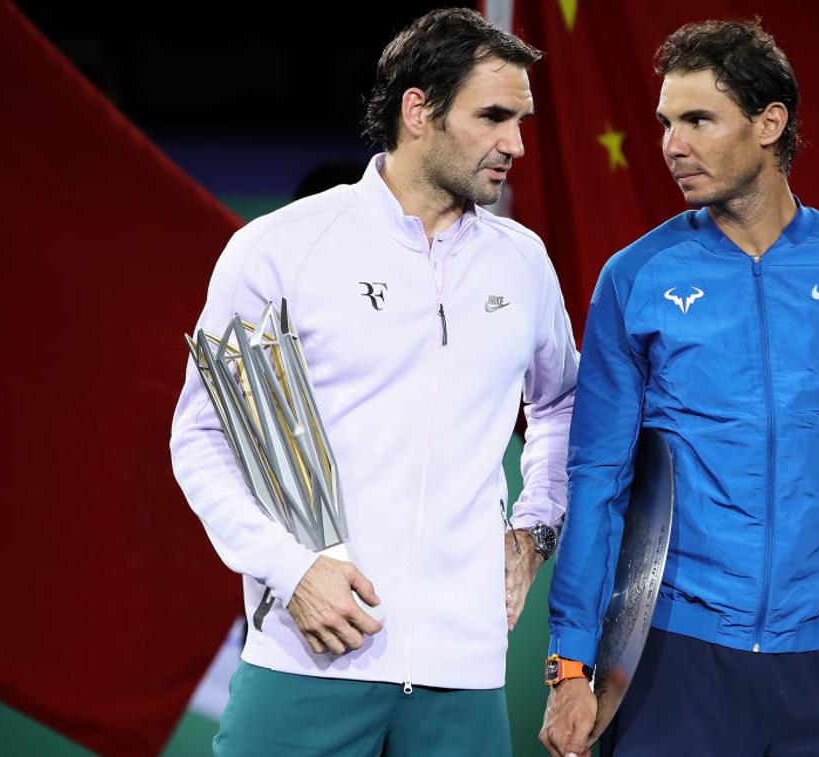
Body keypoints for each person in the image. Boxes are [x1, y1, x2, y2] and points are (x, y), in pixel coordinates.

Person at [540, 19, 819, 757]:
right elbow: (598, 481)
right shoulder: (634, 278)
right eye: (667, 123)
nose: (674, 143)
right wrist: (569, 664)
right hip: (675, 667)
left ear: (771, 124)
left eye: (699, 120)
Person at [171, 9, 578, 756]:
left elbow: (560, 406)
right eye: (492, 116)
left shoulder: (522, 262)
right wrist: (291, 572)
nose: (515, 144)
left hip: (467, 668)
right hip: (309, 655)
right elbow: (200, 439)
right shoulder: (279, 247)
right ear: (417, 110)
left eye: (520, 120)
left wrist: (533, 529)